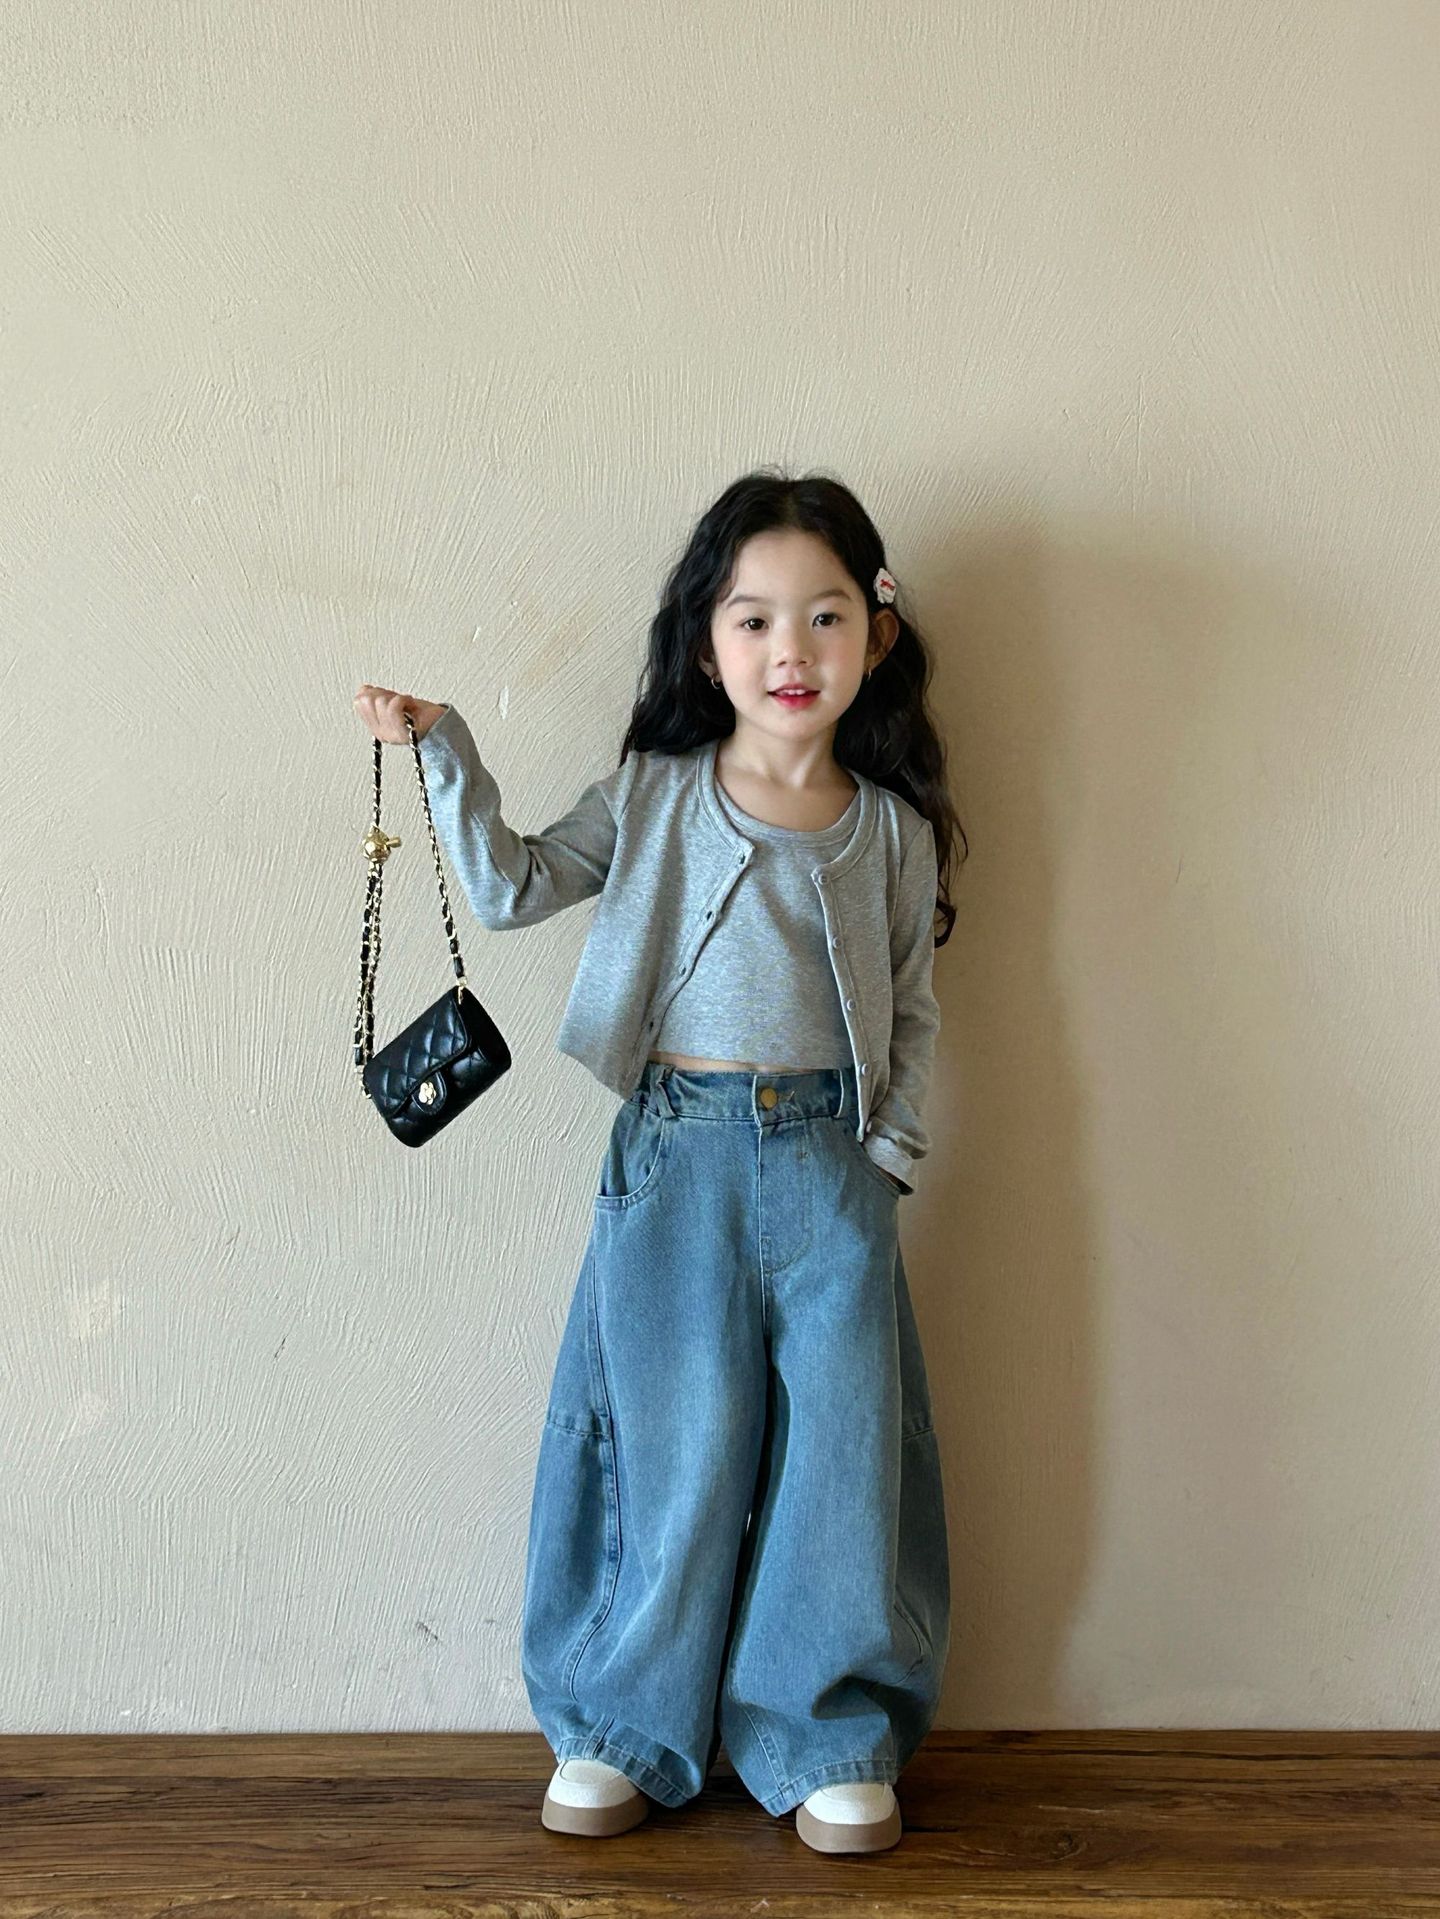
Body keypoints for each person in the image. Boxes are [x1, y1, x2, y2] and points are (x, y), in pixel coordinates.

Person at [353, 466, 966, 1855]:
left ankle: (824, 1730)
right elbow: (511, 887)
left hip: (834, 1163)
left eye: (825, 616)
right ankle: (620, 1724)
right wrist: (444, 750)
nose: (790, 649)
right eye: (754, 619)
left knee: (841, 1448)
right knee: (666, 1437)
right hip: (676, 1156)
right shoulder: (653, 793)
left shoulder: (890, 830)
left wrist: (887, 1153)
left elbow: (914, 1009)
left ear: (876, 635)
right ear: (705, 645)